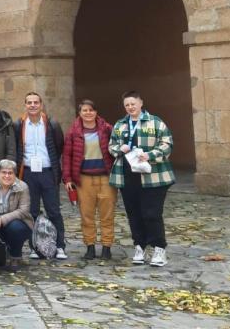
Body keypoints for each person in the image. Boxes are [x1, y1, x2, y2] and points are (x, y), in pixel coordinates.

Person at [109, 90, 175, 268]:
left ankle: (159, 248)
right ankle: (139, 246)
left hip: (153, 176)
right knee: (134, 214)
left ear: (141, 103)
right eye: (127, 105)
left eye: (133, 103)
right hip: (128, 176)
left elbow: (167, 144)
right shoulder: (120, 124)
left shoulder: (155, 122)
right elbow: (111, 145)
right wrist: (118, 149)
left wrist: (150, 155)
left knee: (151, 213)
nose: (130, 107)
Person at [15, 92, 67, 260]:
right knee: (32, 212)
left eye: (35, 102)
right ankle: (34, 247)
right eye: (29, 102)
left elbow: (59, 146)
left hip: (47, 172)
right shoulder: (19, 125)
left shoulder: (51, 124)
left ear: (41, 104)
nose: (32, 105)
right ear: (25, 105)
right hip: (28, 172)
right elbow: (17, 147)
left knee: (54, 211)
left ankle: (59, 246)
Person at [62, 99, 115, 260]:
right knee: (87, 215)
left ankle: (107, 247)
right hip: (84, 179)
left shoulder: (107, 129)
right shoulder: (73, 132)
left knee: (107, 214)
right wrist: (67, 178)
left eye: (91, 110)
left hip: (106, 178)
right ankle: (90, 246)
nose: (88, 113)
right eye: (84, 110)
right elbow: (67, 156)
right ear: (80, 113)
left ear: (96, 112)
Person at [0, 159, 33, 271]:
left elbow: (24, 210)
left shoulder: (23, 187)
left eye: (10, 173)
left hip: (17, 222)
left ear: (15, 174)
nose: (7, 176)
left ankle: (15, 256)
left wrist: (2, 219)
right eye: (4, 172)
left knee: (15, 228)